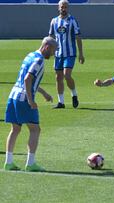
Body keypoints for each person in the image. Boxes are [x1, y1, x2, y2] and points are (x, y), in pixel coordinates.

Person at [4, 37, 57, 172]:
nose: (53, 53)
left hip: (13, 95)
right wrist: (30, 100)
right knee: (35, 129)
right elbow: (28, 79)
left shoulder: (30, 55)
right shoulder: (39, 60)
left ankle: (8, 162)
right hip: (23, 98)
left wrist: (43, 93)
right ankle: (30, 163)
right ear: (46, 46)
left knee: (15, 129)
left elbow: (26, 79)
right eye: (53, 50)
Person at [49, 0, 85, 109]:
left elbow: (78, 37)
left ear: (68, 8)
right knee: (58, 77)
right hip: (58, 54)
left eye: (65, 7)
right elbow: (50, 37)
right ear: (58, 8)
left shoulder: (72, 21)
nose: (63, 9)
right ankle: (61, 102)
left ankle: (74, 95)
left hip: (70, 53)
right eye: (62, 7)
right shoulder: (54, 21)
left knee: (66, 75)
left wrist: (81, 54)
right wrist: (49, 51)